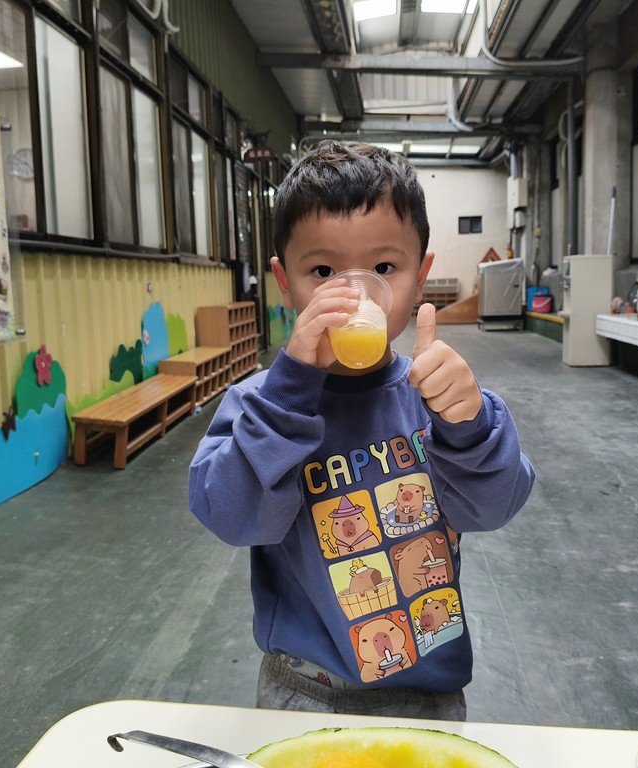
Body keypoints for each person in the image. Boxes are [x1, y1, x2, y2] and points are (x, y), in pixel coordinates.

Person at [188, 140, 535, 720]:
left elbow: (494, 507)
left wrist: (470, 429)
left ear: (420, 278)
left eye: (383, 269)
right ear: (285, 281)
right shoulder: (260, 406)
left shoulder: (438, 396)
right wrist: (289, 395)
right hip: (304, 688)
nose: (354, 296)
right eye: (323, 272)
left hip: (429, 689)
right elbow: (231, 516)